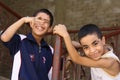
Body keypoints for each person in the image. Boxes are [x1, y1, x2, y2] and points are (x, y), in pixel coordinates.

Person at [0, 8, 54, 80]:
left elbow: (60, 67)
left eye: (46, 21)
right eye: (39, 19)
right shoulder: (21, 41)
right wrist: (23, 20)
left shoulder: (50, 50)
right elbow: (4, 37)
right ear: (31, 23)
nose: (41, 23)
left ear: (50, 28)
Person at [53, 24, 120, 80]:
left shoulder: (110, 62)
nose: (92, 50)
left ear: (103, 40)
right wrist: (79, 45)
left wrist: (65, 35)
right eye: (86, 47)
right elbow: (100, 45)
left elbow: (77, 59)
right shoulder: (104, 50)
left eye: (95, 43)